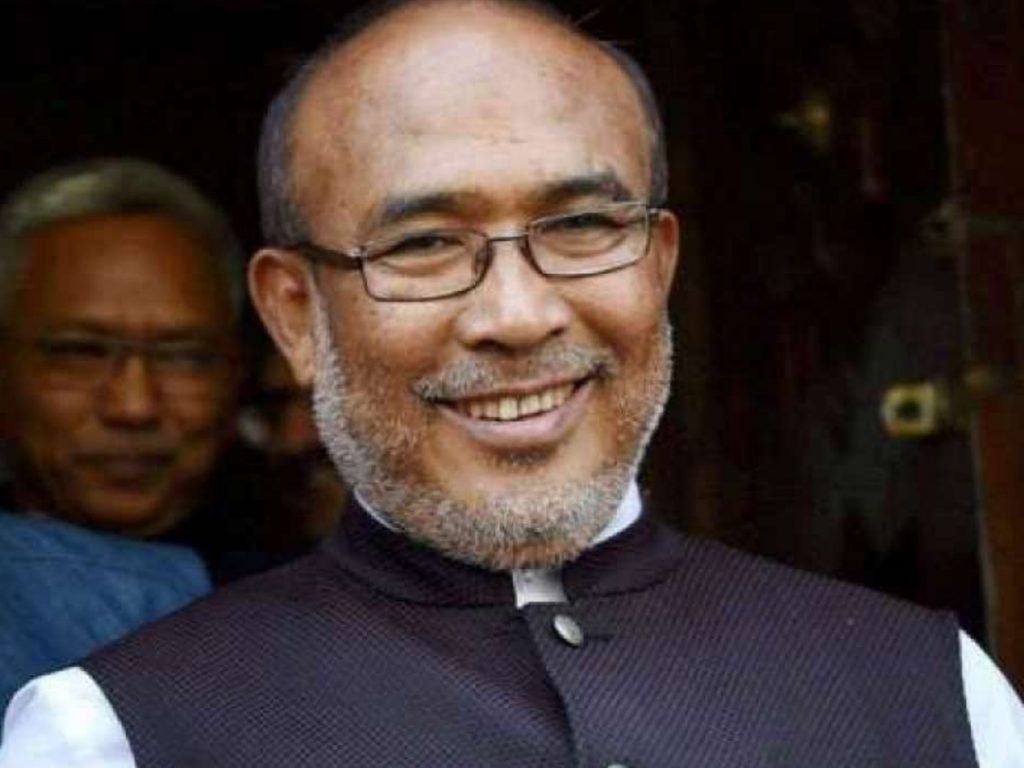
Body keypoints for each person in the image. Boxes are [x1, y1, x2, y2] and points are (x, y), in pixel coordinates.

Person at [2, 2, 1022, 765]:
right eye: (423, 243)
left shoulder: (938, 695)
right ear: (295, 316)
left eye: (580, 226)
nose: (518, 315)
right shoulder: (111, 735)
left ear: (659, 265)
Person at [0, 158, 244, 704]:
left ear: (237, 374)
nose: (134, 407)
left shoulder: (313, 594)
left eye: (184, 357)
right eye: (80, 353)